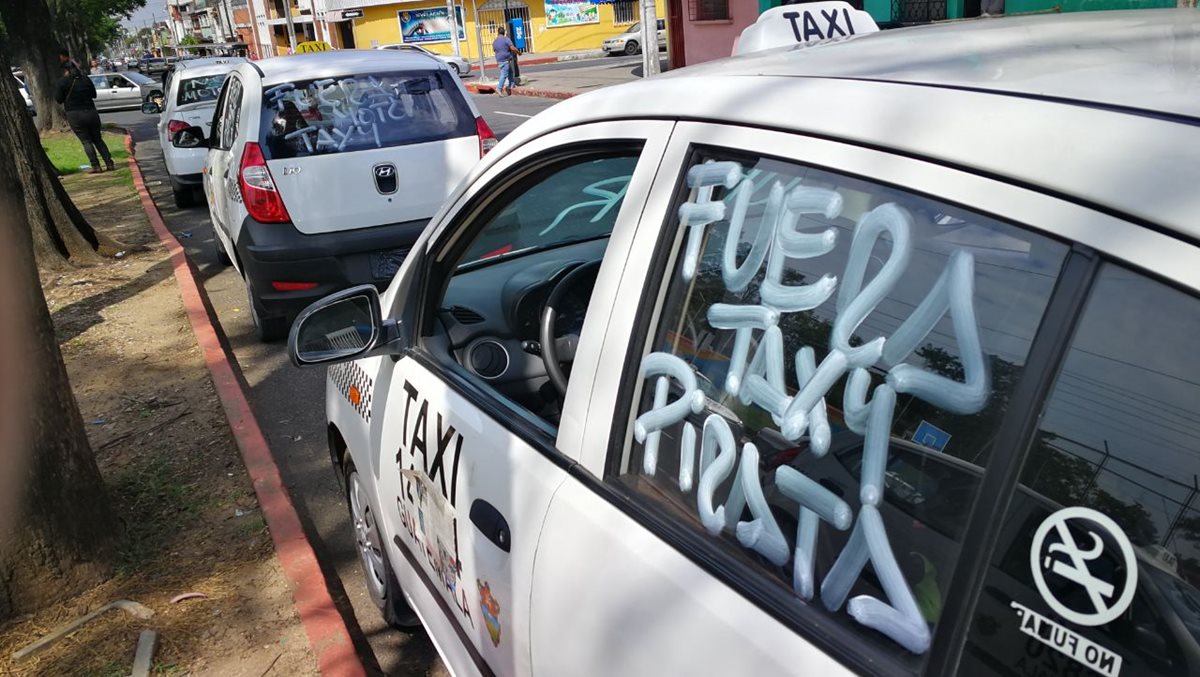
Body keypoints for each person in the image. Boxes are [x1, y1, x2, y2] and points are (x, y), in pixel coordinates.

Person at [54, 60, 114, 174]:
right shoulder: (85, 79)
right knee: (98, 139)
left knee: (86, 141)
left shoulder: (62, 82)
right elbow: (94, 94)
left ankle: (95, 166)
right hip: (91, 111)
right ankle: (109, 163)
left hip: (74, 114)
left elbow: (59, 99)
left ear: (65, 71)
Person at [492, 27, 520, 96]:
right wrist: (518, 53)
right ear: (504, 33)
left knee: (510, 71)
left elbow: (494, 50)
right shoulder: (506, 39)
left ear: (498, 33)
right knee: (504, 74)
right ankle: (499, 88)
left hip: (499, 60)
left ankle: (511, 84)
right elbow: (512, 48)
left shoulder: (495, 41)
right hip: (505, 60)